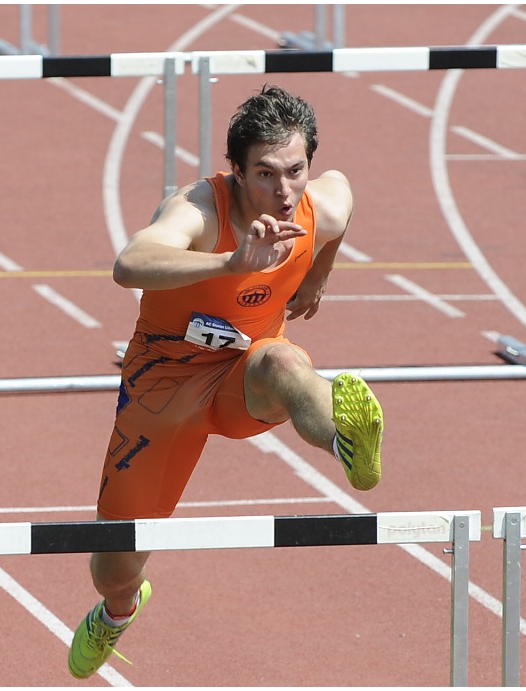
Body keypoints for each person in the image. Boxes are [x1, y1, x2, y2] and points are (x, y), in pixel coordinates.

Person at [67, 84, 385, 679]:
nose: (284, 191)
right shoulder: (198, 209)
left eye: (295, 171)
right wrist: (229, 263)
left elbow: (342, 197)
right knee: (114, 566)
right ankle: (118, 611)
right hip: (163, 391)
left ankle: (346, 442)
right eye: (265, 174)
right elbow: (129, 264)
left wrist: (318, 274)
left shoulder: (319, 206)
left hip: (244, 374)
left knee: (285, 363)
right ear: (236, 171)